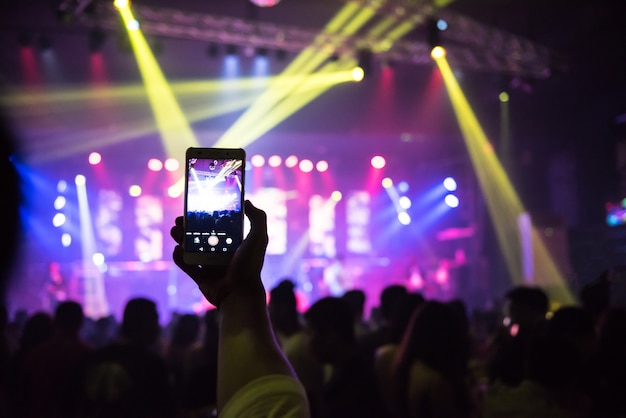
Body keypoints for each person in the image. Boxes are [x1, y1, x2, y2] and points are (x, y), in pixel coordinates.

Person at [170, 200, 310, 417]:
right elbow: (270, 400)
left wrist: (236, 294)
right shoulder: (284, 400)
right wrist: (241, 290)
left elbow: (264, 401)